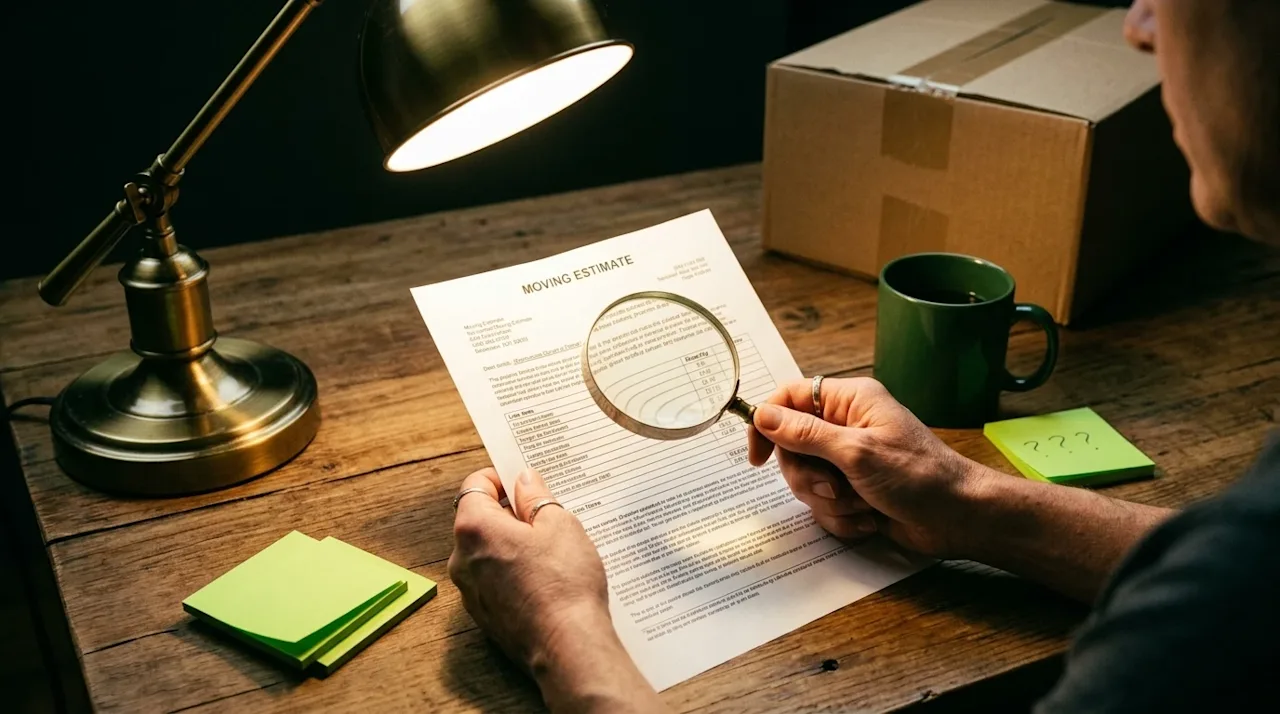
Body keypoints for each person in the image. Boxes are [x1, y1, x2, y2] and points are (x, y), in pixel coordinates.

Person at [447, 1, 1280, 711]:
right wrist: (967, 499)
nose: (1137, 24)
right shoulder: (1242, 552)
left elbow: (1237, 583)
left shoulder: (1208, 613)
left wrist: (565, 639)